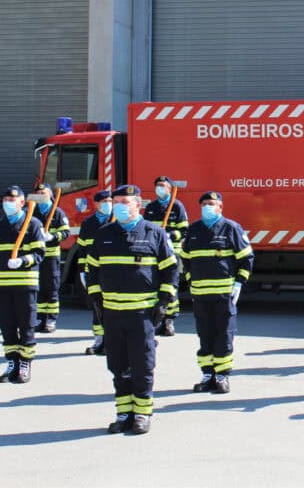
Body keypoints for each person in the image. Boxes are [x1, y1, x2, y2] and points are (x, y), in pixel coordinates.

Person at [86, 184, 179, 434]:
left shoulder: (154, 233)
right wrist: (95, 299)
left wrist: (164, 301)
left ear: (138, 205)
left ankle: (142, 413)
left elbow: (171, 269)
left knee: (142, 365)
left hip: (142, 315)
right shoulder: (105, 234)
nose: (119, 206)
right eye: (117, 201)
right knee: (118, 366)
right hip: (113, 315)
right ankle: (124, 413)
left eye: (125, 202)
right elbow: (91, 269)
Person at [182, 191, 254, 394]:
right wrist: (190, 280)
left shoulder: (231, 228)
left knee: (224, 335)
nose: (207, 207)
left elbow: (246, 258)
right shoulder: (193, 230)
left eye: (212, 204)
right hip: (200, 295)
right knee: (205, 334)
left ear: (220, 207)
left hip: (224, 295)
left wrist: (239, 283)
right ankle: (207, 374)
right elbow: (185, 258)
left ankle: (222, 376)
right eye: (204, 203)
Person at [0, 186, 45, 383]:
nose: (8, 203)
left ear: (22, 202)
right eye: (5, 199)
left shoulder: (33, 224)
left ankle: (25, 363)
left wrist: (23, 261)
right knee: (7, 326)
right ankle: (11, 362)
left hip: (25, 285)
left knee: (26, 325)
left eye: (12, 199)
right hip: (3, 286)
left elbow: (39, 254)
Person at [143, 175, 188, 336]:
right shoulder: (151, 207)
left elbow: (184, 230)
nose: (160, 188)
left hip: (171, 252)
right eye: (157, 185)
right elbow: (145, 228)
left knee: (170, 286)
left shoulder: (177, 206)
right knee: (155, 284)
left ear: (169, 188)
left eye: (163, 185)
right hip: (154, 252)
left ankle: (169, 320)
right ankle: (157, 319)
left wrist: (170, 235)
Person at [76, 190, 114, 355]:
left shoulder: (116, 220)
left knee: (113, 306)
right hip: (93, 271)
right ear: (96, 204)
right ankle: (99, 339)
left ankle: (111, 341)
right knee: (97, 306)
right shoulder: (88, 223)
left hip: (112, 270)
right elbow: (82, 249)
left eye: (110, 200)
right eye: (104, 201)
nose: (108, 204)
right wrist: (82, 272)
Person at [30, 183, 71, 332]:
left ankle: (51, 320)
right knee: (39, 288)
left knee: (52, 287)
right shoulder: (31, 211)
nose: (41, 195)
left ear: (50, 195)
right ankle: (40, 318)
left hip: (51, 256)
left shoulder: (57, 212)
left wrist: (52, 237)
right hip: (36, 256)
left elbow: (66, 232)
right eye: (38, 193)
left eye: (44, 192)